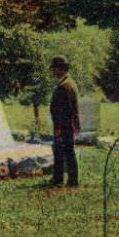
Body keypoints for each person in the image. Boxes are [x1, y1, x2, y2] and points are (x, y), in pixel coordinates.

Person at [49, 54, 80, 187]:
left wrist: (59, 129)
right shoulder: (69, 83)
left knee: (63, 153)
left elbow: (65, 111)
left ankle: (63, 180)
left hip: (64, 126)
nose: (53, 71)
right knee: (66, 152)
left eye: (55, 68)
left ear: (61, 68)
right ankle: (65, 179)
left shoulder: (65, 86)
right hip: (68, 126)